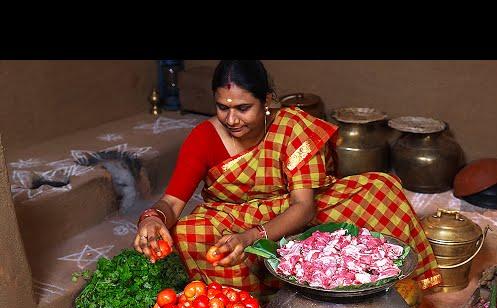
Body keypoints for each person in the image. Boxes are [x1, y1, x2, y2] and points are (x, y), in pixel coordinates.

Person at [134, 60, 442, 295]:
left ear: (267, 101)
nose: (231, 119)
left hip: (292, 213)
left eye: (243, 108)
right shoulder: (203, 138)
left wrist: (253, 236)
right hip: (231, 219)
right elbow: (173, 203)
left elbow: (304, 207)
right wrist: (153, 218)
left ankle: (394, 290)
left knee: (380, 188)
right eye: (222, 107)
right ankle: (248, 307)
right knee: (188, 231)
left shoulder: (292, 128)